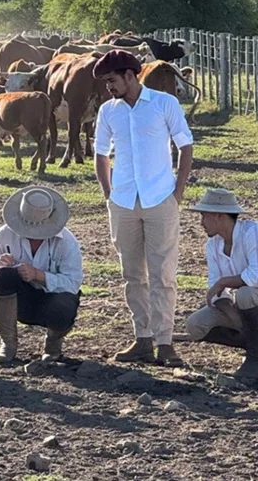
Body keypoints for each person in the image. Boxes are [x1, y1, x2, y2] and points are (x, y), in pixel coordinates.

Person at [93, 49, 194, 367]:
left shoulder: (164, 103)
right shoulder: (108, 111)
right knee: (133, 274)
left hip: (160, 198)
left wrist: (177, 192)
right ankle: (143, 338)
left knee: (163, 273)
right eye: (105, 82)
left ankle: (165, 342)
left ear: (129, 75)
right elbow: (100, 153)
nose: (108, 87)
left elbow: (185, 145)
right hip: (123, 201)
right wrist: (108, 194)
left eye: (111, 80)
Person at [184, 188, 258, 378]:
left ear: (218, 216)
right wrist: (232, 315)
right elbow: (216, 291)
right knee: (195, 325)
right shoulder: (213, 245)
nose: (201, 222)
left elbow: (257, 278)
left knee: (246, 294)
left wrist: (224, 282)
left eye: (204, 216)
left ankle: (255, 360)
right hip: (245, 306)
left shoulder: (255, 232)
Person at [0, 186, 84, 363]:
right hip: (19, 301)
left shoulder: (67, 241)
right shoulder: (4, 234)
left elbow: (73, 283)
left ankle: (53, 345)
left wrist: (39, 275)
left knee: (65, 305)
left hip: (52, 302)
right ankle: (8, 344)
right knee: (4, 276)